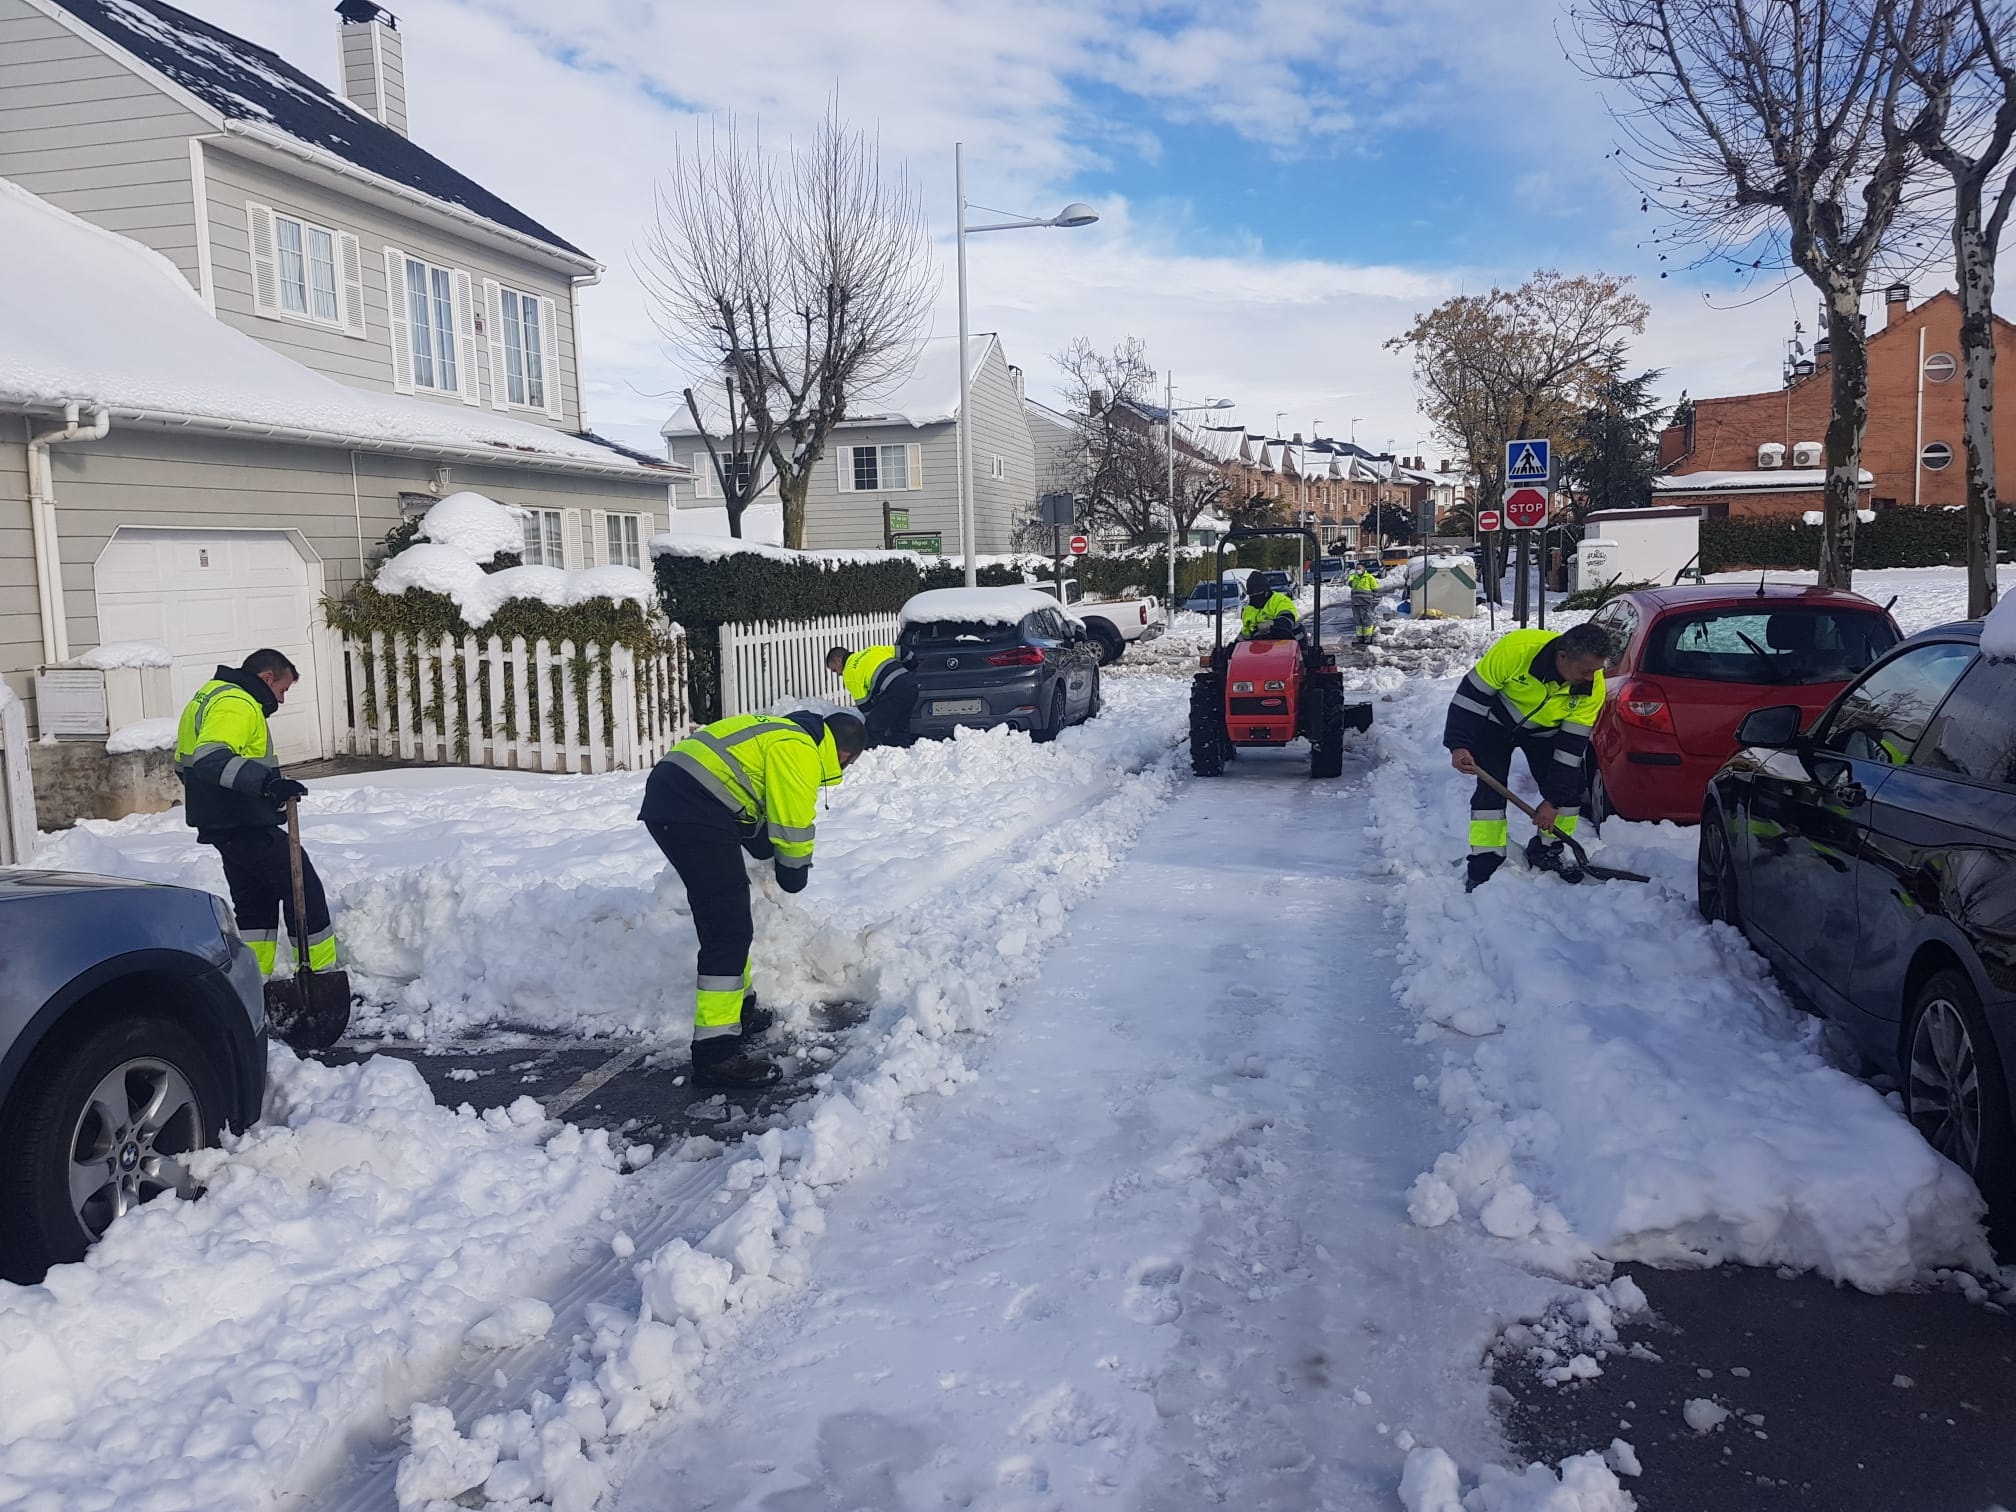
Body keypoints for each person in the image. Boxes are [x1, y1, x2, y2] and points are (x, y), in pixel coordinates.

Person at [639, 708, 866, 1087]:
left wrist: (763, 845)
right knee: (726, 927)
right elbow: (793, 826)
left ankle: (739, 1012)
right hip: (691, 805)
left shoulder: (784, 731)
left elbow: (747, 792)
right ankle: (715, 1056)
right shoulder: (801, 750)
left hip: (682, 793)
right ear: (846, 755)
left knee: (728, 915)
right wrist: (793, 874)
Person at [172, 649, 333, 977]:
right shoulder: (237, 704)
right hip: (241, 822)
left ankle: (253, 976)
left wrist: (235, 797)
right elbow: (210, 759)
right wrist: (266, 786)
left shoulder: (208, 697)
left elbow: (184, 765)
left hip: (224, 822)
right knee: (299, 882)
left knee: (255, 900)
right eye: (282, 690)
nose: (283, 700)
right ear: (266, 678)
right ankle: (317, 974)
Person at [1443, 622, 1613, 891]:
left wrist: (1553, 800)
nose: (1592, 677)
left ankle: (1549, 850)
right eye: (1586, 670)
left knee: (1569, 795)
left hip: (1546, 733)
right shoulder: (1516, 650)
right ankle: (1485, 863)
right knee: (1490, 792)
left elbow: (1570, 749)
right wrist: (1458, 745)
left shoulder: (1592, 688)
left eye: (1596, 670)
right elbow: (1469, 698)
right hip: (1495, 724)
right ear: (1562, 657)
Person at [825, 643, 917, 748]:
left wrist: (874, 720)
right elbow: (904, 651)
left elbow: (865, 706)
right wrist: (912, 667)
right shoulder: (872, 650)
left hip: (894, 691)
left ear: (838, 660)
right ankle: (902, 752)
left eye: (835, 670)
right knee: (900, 726)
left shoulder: (850, 673)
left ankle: (868, 757)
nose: (838, 674)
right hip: (911, 686)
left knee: (871, 730)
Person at [1239, 572, 1300, 639]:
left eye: (1256, 593)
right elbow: (1245, 633)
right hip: (1259, 646)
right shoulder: (1248, 609)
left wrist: (1271, 624)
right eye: (1251, 594)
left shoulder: (1280, 601)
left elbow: (1288, 619)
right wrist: (1234, 645)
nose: (1253, 596)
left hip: (1289, 642)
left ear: (1266, 592)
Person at [1348, 563, 1382, 645]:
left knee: (1367, 621)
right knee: (1358, 622)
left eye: (1360, 568)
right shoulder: (1354, 577)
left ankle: (1367, 638)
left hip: (1366, 603)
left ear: (1364, 569)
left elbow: (1376, 590)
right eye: (1357, 568)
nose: (1358, 570)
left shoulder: (1369, 578)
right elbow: (1349, 582)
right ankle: (1360, 638)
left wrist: (1374, 602)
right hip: (1356, 603)